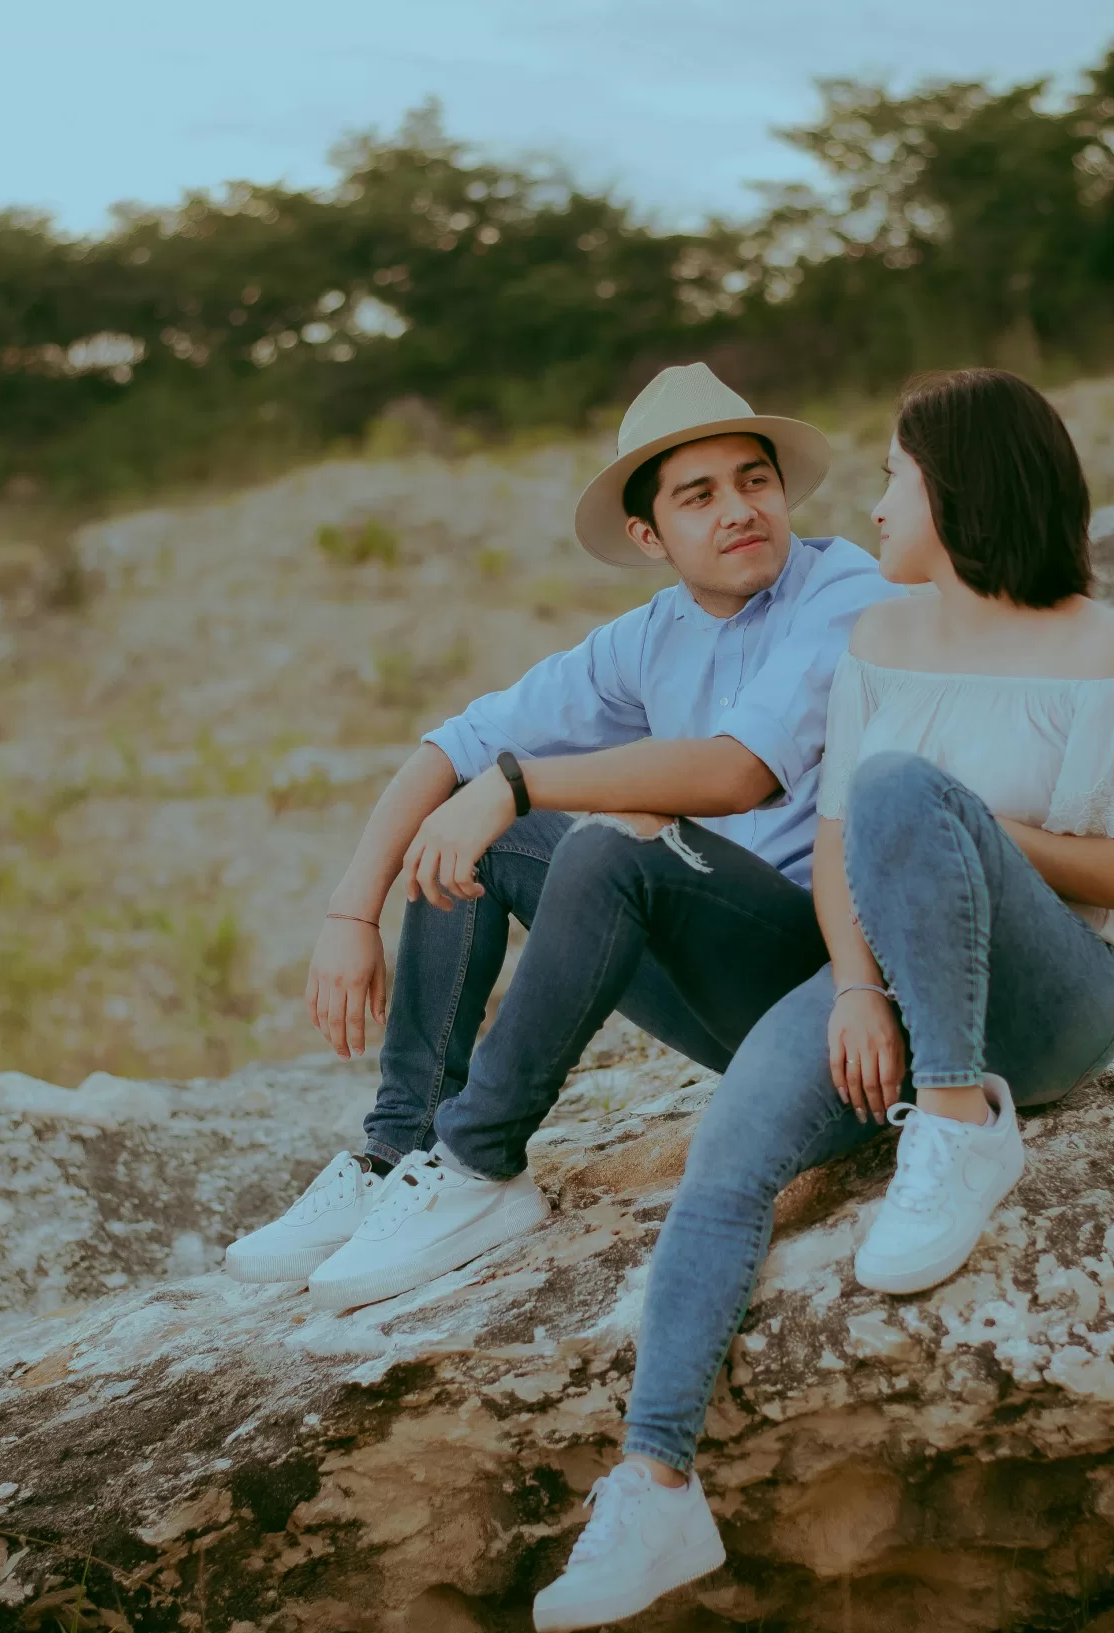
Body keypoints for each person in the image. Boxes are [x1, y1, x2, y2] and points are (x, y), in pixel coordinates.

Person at [529, 368, 1114, 1633]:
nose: (872, 505)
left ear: (960, 488)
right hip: (888, 975)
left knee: (899, 786)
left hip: (1053, 1002)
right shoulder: (878, 638)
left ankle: (958, 1121)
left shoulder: (1101, 652)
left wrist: (969, 826)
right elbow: (835, 849)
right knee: (726, 1164)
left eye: (893, 475)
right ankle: (655, 1480)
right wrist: (854, 986)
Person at [223, 362, 902, 1313]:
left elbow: (738, 769)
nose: (740, 510)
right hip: (726, 993)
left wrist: (516, 784)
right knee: (496, 835)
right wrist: (350, 909)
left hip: (828, 986)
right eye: (698, 496)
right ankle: (401, 1151)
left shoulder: (846, 592)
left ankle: (481, 1162)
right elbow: (455, 744)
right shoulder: (649, 636)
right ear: (648, 533)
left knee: (606, 841)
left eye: (754, 481)